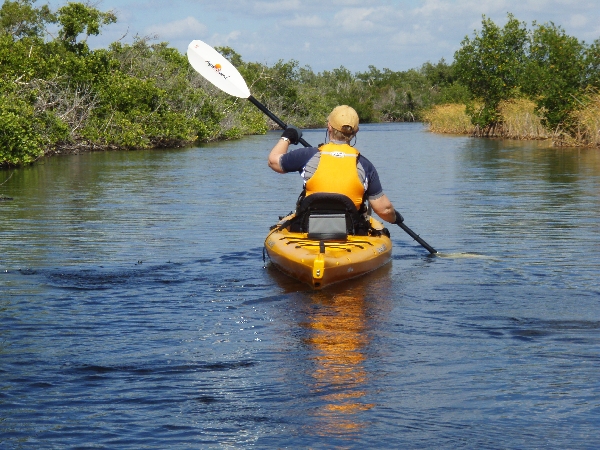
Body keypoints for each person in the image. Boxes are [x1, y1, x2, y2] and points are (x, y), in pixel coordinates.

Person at [267, 105, 403, 226]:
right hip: (350, 230)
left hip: (309, 227)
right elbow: (384, 209)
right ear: (356, 131)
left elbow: (273, 162)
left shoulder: (307, 155)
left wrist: (288, 136)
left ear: (329, 127)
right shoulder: (364, 165)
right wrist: (395, 217)